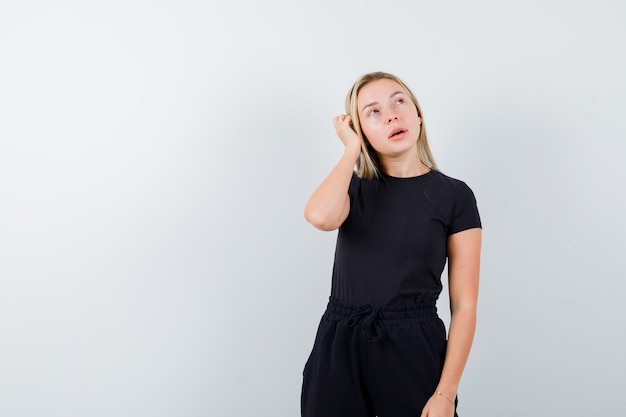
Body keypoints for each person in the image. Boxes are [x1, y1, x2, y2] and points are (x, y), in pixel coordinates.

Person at [301, 71, 482, 417]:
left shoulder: (455, 196)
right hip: (339, 346)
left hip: (413, 348)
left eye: (399, 101)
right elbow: (320, 217)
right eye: (373, 112)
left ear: (418, 114)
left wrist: (445, 393)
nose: (391, 115)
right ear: (361, 132)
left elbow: (465, 305)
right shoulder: (351, 188)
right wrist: (350, 150)